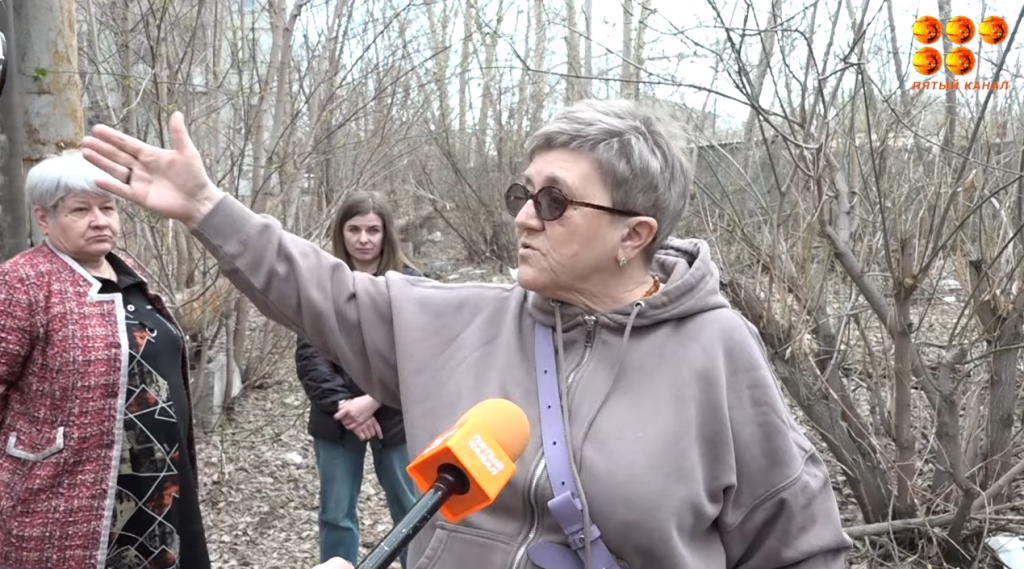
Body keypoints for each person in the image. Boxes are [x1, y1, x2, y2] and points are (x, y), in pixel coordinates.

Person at [82, 99, 853, 569]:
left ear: (634, 233)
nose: (522, 215)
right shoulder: (455, 319)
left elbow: (800, 546)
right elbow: (315, 288)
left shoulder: (717, 352)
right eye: (524, 191)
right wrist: (209, 206)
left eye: (554, 201)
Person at [0, 150, 210, 569]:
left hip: (163, 486)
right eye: (81, 210)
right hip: (67, 499)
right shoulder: (21, 283)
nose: (100, 220)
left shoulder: (130, 271)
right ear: (44, 219)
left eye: (108, 207)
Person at [295, 191, 421, 567]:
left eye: (373, 230)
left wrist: (373, 400)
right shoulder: (321, 281)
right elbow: (309, 354)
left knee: (411, 508)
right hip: (337, 418)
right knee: (335, 512)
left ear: (386, 234)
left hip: (396, 415)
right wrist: (343, 404)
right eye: (354, 229)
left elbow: (415, 352)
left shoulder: (410, 283)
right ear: (341, 232)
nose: (363, 239)